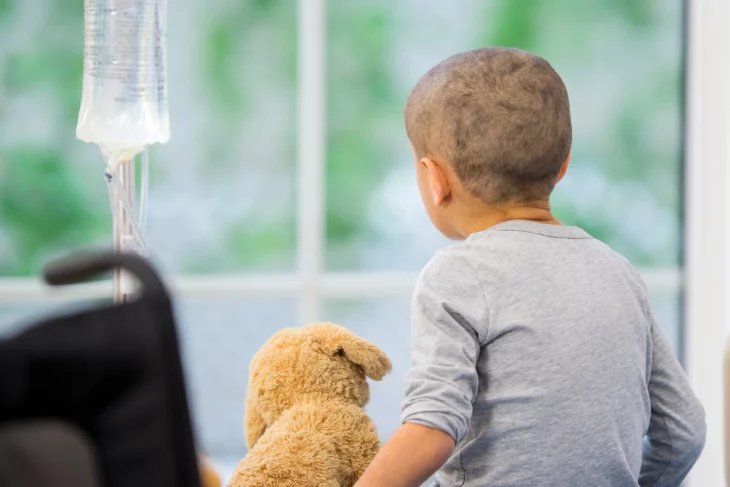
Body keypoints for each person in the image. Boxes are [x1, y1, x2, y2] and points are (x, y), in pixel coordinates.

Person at [354, 47, 706, 487]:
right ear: (563, 167)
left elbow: (432, 429)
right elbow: (684, 430)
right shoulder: (618, 272)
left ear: (434, 179)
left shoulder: (457, 275)